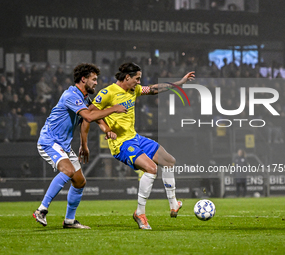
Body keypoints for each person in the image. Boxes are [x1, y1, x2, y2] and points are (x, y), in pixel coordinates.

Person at [82, 62, 195, 229]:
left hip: (134, 138)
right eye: (137, 78)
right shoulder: (108, 92)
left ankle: (173, 204)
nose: (139, 82)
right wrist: (105, 128)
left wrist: (179, 83)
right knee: (151, 169)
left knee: (169, 161)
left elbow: (154, 89)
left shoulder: (133, 90)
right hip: (121, 143)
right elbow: (89, 114)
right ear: (127, 77)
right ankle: (140, 213)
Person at [33, 63, 127, 229]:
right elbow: (88, 116)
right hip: (49, 141)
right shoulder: (71, 95)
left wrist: (105, 130)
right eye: (94, 79)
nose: (96, 83)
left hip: (63, 144)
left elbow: (94, 118)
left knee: (79, 182)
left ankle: (69, 221)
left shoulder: (84, 98)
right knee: (68, 171)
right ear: (83, 79)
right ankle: (41, 209)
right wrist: (113, 109)